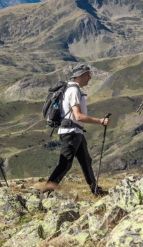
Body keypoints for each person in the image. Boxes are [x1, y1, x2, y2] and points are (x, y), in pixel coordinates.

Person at [44, 64, 109, 196]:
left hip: (75, 132)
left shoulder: (72, 89)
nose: (90, 78)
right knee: (65, 164)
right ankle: (45, 191)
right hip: (71, 132)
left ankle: (96, 191)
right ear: (80, 76)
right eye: (87, 75)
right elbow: (78, 116)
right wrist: (100, 121)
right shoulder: (73, 91)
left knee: (86, 161)